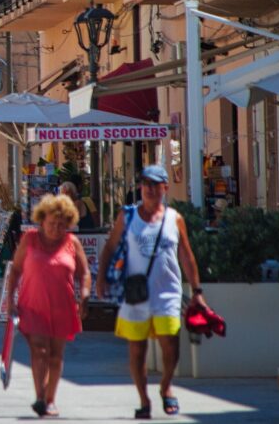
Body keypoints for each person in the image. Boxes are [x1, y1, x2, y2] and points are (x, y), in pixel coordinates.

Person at [96, 165, 209, 419]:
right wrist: (101, 278)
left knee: (171, 344)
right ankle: (144, 400)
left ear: (165, 188)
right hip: (136, 294)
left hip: (167, 293)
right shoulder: (127, 217)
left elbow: (187, 256)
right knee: (137, 350)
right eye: (145, 183)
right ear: (140, 187)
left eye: (155, 184)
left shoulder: (174, 219)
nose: (149, 188)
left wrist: (197, 291)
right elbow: (110, 248)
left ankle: (166, 386)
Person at [6, 194, 91, 418]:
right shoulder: (30, 239)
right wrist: (9, 300)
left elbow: (84, 273)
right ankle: (41, 397)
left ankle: (50, 399)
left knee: (55, 355)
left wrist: (84, 294)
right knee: (39, 350)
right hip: (33, 305)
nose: (56, 228)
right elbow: (15, 271)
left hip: (62, 306)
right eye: (52, 223)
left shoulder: (72, 243)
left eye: (62, 224)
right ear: (42, 219)